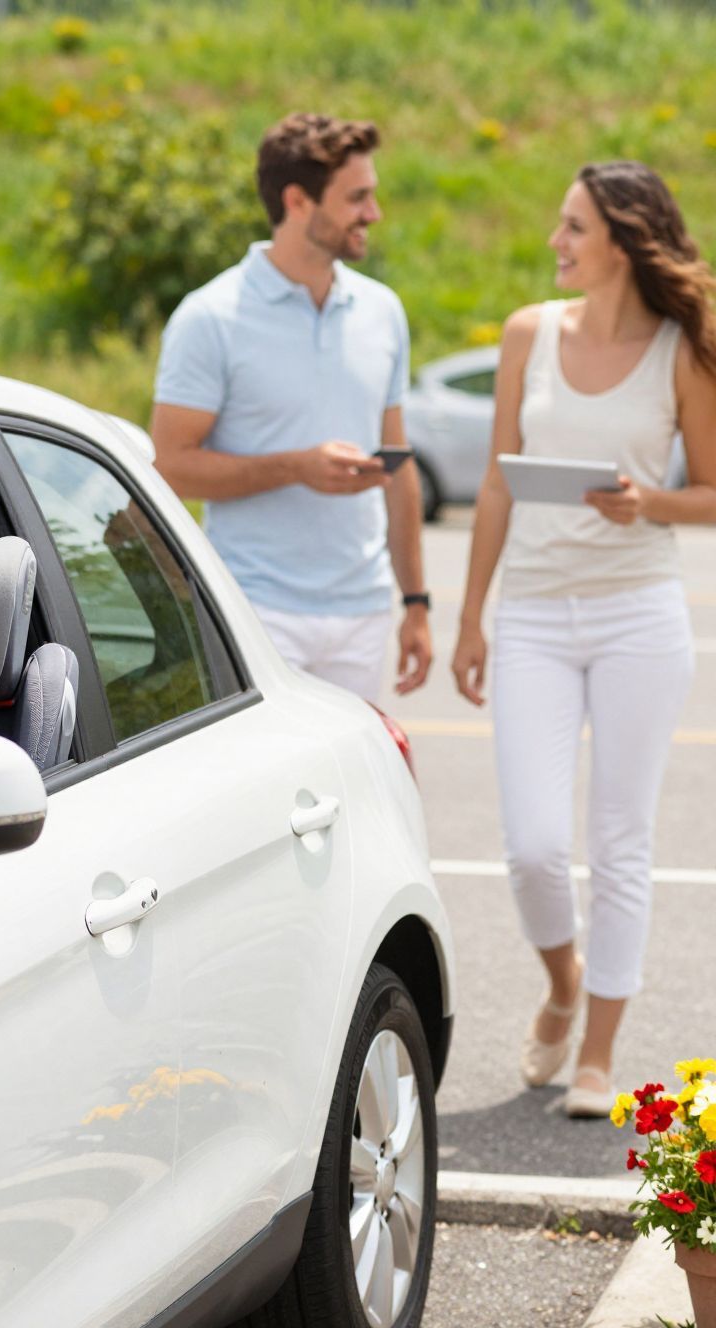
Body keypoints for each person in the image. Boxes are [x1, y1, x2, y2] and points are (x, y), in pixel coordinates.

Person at [451, 160, 716, 1117]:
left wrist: (649, 502)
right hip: (531, 614)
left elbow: (713, 493)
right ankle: (563, 983)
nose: (556, 242)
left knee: (620, 841)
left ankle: (598, 1051)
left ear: (623, 241)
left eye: (573, 227)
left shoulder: (682, 349)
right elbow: (493, 483)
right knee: (530, 845)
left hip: (638, 614)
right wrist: (471, 616)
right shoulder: (529, 333)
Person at [151, 111, 431, 705]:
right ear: (298, 200)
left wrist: (415, 602)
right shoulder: (210, 318)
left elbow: (398, 469)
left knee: (354, 795)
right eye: (357, 198)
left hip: (364, 611)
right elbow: (173, 467)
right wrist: (295, 467)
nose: (373, 214)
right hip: (256, 609)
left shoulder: (383, 311)